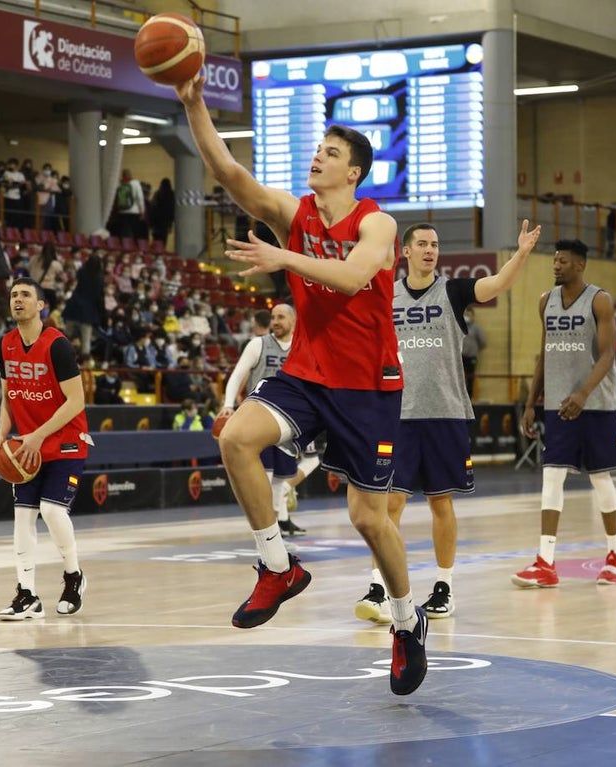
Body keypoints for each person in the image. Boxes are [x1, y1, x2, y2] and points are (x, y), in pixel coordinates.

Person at [176, 73, 428, 696]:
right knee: (236, 438)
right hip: (307, 375)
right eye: (318, 148)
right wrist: (193, 103)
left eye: (332, 153)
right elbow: (229, 172)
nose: (318, 156)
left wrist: (284, 258)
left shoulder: (379, 225)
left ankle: (406, 620)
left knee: (369, 519)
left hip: (369, 387)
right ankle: (277, 566)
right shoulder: (295, 213)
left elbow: (351, 277)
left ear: (355, 174)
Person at [354, 219, 540, 624]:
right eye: (421, 244)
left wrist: (522, 254)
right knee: (391, 503)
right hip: (398, 414)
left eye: (434, 245)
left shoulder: (453, 291)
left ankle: (444, 586)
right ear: (405, 251)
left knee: (441, 501)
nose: (429, 250)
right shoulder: (388, 295)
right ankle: (379, 587)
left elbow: (496, 285)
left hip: (446, 412)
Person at [512, 239, 616, 589]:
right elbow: (544, 355)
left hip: (595, 404)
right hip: (558, 405)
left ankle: (615, 556)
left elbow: (607, 356)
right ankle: (545, 562)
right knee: (551, 477)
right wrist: (531, 403)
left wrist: (582, 393)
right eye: (555, 260)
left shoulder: (600, 300)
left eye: (562, 261)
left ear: (579, 264)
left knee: (600, 478)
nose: (556, 266)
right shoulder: (545, 302)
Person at [0, 277, 92, 620]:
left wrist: (36, 435)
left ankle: (74, 576)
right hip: (28, 446)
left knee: (51, 511)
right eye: (14, 295)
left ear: (40, 305)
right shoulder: (4, 344)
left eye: (25, 295)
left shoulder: (57, 345)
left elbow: (76, 401)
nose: (17, 300)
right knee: (23, 517)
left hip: (66, 440)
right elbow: (8, 397)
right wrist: (0, 436)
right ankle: (27, 595)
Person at [220, 302, 308, 537]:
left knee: (282, 477)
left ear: (293, 321)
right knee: (265, 475)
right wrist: (228, 405)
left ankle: (279, 520)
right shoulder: (258, 344)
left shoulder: (302, 347)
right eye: (273, 317)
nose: (275, 322)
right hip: (259, 420)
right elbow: (238, 374)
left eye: (280, 317)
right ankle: (265, 525)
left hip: (288, 422)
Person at [461, 307, 487, 398]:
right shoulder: (459, 326)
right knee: (460, 377)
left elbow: (483, 342)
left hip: (471, 357)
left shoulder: (476, 328)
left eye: (469, 315)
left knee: (470, 378)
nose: (467, 316)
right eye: (465, 314)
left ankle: (470, 397)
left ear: (472, 316)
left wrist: (474, 349)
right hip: (460, 356)